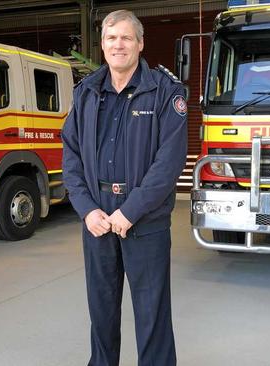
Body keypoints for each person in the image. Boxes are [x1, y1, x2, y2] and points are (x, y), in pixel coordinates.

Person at [61, 9, 187, 366]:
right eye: (111, 38)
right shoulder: (86, 93)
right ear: (102, 44)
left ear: (140, 43)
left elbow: (169, 163)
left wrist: (129, 212)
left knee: (152, 316)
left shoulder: (164, 92)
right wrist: (86, 210)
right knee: (101, 315)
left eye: (126, 38)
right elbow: (70, 156)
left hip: (144, 224)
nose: (119, 45)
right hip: (98, 221)